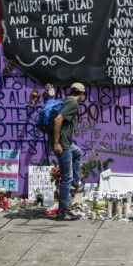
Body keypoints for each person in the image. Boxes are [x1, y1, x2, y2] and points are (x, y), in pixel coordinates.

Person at [53, 82, 86, 221]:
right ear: (80, 93)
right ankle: (62, 212)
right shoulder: (73, 104)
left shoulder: (66, 100)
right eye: (83, 93)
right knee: (66, 178)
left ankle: (75, 184)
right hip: (63, 145)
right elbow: (58, 120)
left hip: (66, 143)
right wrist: (57, 142)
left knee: (78, 152)